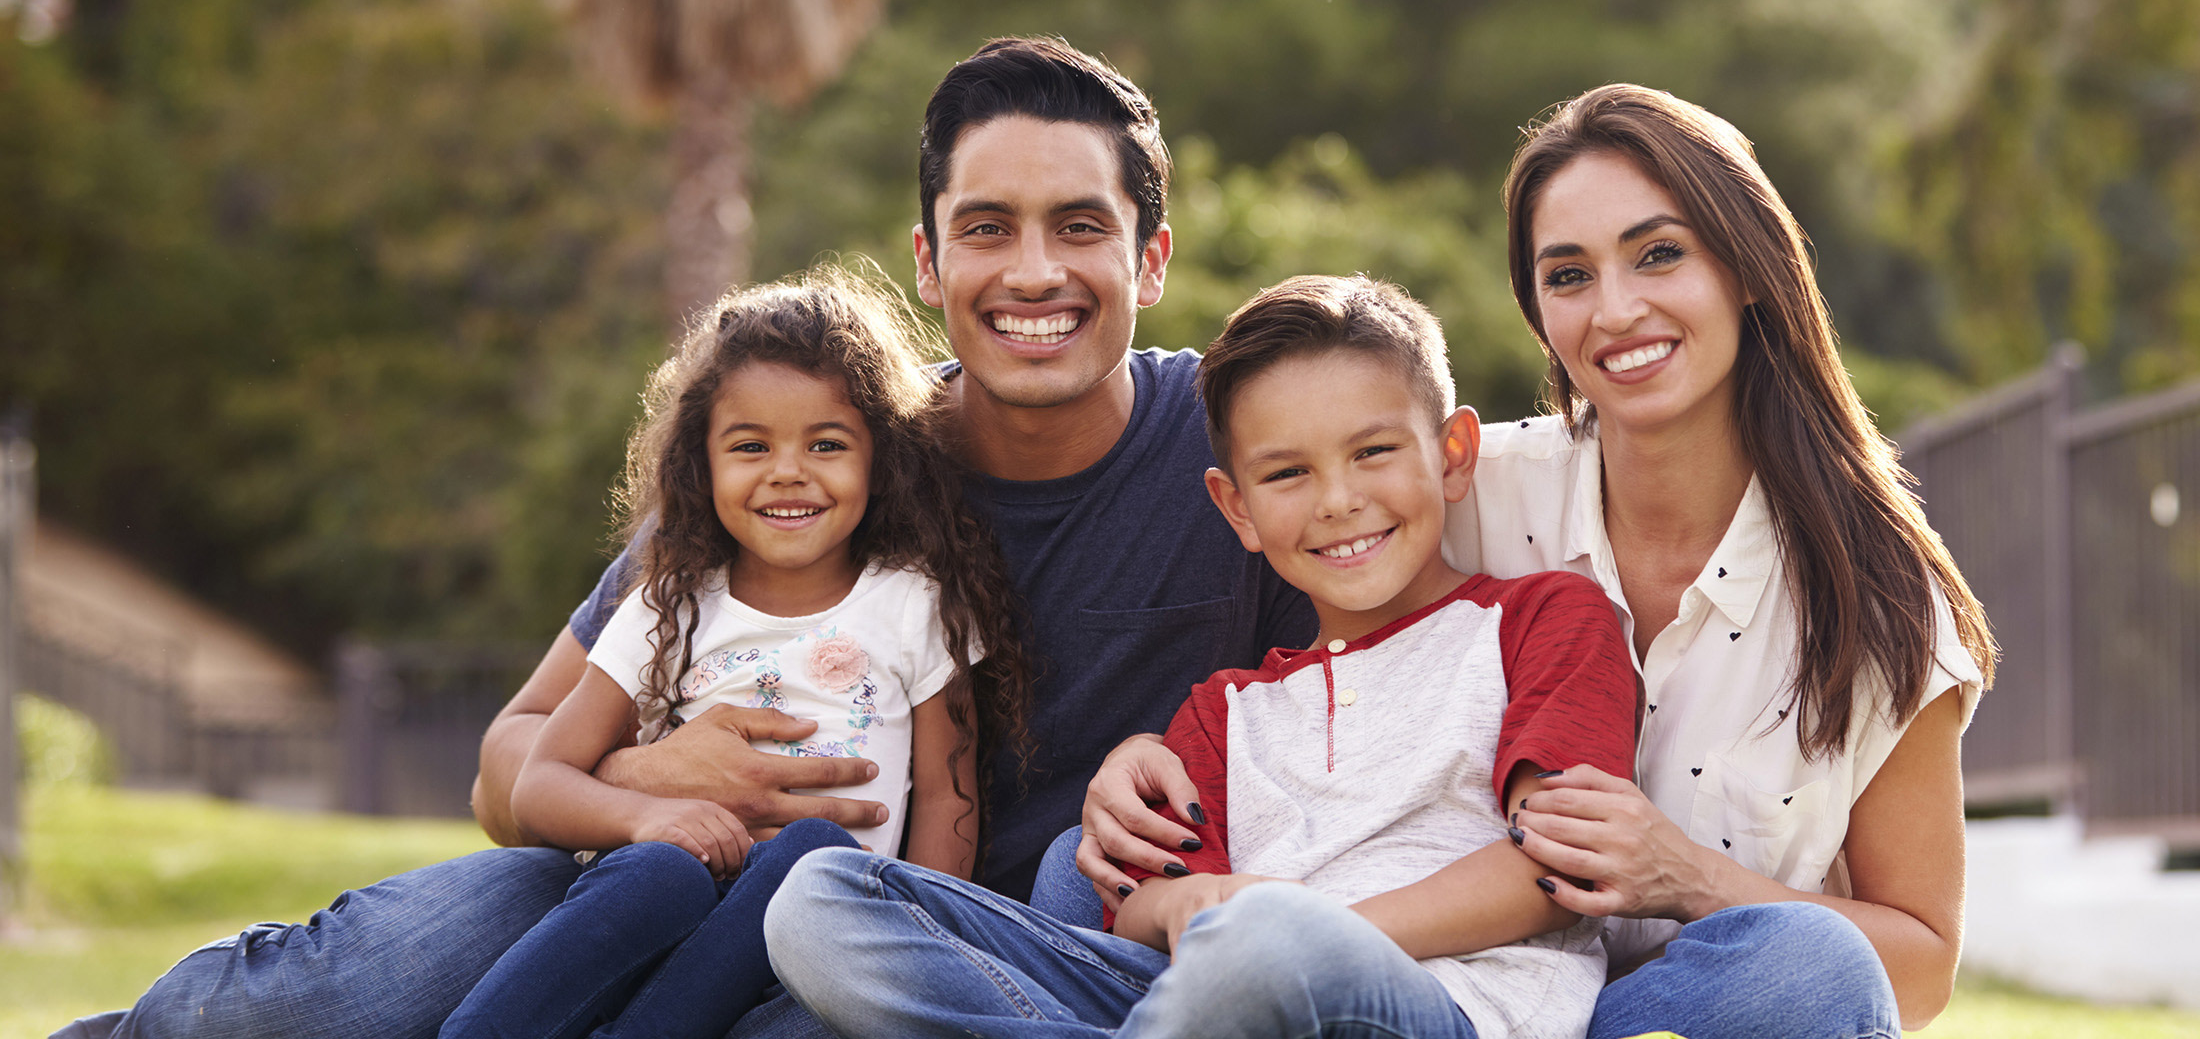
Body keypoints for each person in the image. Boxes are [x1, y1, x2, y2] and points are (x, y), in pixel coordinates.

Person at [65, 36, 1313, 1039]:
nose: (1032, 272)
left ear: (1150, 257)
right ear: (928, 264)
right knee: (375, 970)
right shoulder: (818, 459)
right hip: (667, 885)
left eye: (1078, 226)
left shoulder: (1243, 454)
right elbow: (507, 770)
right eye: (987, 229)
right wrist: (652, 780)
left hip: (930, 956)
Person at [1074, 84, 1998, 1038]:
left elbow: (1920, 968)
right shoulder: (1468, 485)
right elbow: (1322, 639)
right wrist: (1145, 757)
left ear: (1749, 267)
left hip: (1666, 1005)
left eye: (1660, 254)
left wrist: (1686, 876)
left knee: (1808, 964)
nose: (1617, 309)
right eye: (1568, 276)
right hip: (1406, 981)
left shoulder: (1877, 594)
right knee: (1081, 863)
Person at [766, 274, 1643, 1039]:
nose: (1339, 501)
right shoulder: (1225, 710)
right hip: (1203, 1002)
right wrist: (1187, 906)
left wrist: (1294, 924)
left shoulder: (1542, 619)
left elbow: (1554, 863)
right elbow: (1147, 906)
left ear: (1451, 454)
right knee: (823, 903)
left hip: (1440, 1005)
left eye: (1373, 452)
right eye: (1288, 474)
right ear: (1238, 510)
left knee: (1260, 947)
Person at [437, 269, 1028, 1039]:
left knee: (817, 853)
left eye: (827, 443)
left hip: (815, 938)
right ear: (701, 463)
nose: (789, 470)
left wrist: (914, 935)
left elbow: (950, 798)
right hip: (663, 910)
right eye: (751, 445)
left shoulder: (915, 604)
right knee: (658, 870)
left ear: (880, 458)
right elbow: (538, 785)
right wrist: (648, 818)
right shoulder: (669, 602)